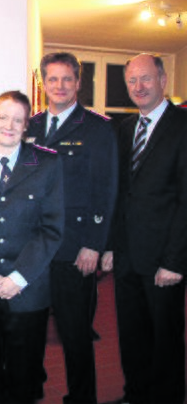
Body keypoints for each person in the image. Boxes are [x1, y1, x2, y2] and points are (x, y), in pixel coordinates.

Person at [27, 52, 118, 404]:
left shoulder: (97, 128)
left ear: (78, 83)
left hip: (74, 248)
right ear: (43, 82)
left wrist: (94, 244)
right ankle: (32, 388)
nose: (60, 86)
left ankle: (82, 397)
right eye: (53, 79)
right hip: (34, 248)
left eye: (67, 79)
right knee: (30, 328)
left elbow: (105, 189)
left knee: (75, 332)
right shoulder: (31, 127)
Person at [0, 90, 64, 403]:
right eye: (4, 117)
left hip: (28, 288)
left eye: (18, 120)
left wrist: (18, 277)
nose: (9, 125)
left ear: (26, 126)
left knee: (26, 376)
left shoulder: (48, 164)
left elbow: (52, 228)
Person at [101, 53, 187, 404]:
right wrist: (109, 247)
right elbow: (119, 194)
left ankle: (166, 397)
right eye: (132, 80)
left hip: (164, 259)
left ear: (163, 80)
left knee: (165, 338)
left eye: (146, 78)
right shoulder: (123, 130)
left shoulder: (182, 128)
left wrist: (175, 261)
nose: (138, 86)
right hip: (127, 257)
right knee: (132, 336)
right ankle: (135, 394)